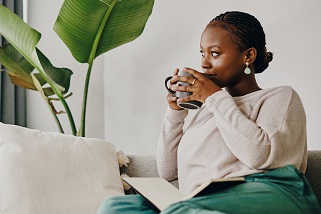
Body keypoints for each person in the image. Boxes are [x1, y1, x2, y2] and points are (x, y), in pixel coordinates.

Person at [98, 11, 321, 213]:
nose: (204, 63)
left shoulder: (280, 97)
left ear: (248, 56)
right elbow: (168, 172)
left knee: (182, 211)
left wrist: (213, 96)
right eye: (202, 53)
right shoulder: (209, 109)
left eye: (214, 53)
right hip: (198, 202)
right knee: (115, 206)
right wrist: (175, 113)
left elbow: (259, 156)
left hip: (271, 192)